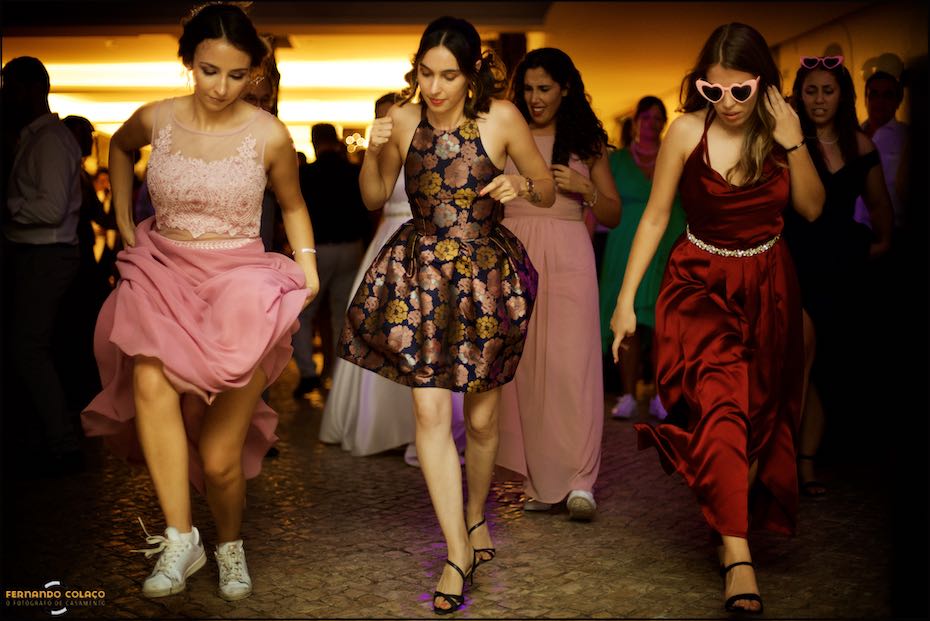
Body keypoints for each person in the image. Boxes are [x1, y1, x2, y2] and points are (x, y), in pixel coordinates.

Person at [80, 2, 319, 601]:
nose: (221, 87)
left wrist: (309, 271)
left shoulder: (268, 134)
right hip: (164, 272)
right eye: (210, 70)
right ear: (188, 61)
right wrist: (123, 220)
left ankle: (230, 545)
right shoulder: (156, 118)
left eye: (237, 75)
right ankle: (180, 536)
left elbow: (293, 205)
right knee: (148, 376)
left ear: (253, 72)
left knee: (217, 458)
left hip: (239, 287)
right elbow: (119, 149)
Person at [340, 16, 555, 614]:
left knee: (482, 422)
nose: (434, 88)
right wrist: (372, 146)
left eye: (448, 76)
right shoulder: (403, 119)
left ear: (472, 74)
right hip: (422, 277)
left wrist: (518, 186)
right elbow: (373, 196)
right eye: (426, 73)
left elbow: (545, 188)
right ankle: (457, 550)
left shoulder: (502, 118)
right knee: (430, 412)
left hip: (486, 279)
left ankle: (476, 515)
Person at [608, 23, 824, 614]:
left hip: (769, 284)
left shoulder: (781, 131)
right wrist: (625, 301)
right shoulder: (685, 131)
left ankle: (727, 516)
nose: (726, 103)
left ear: (763, 84)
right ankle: (739, 558)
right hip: (699, 284)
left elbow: (811, 207)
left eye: (740, 91)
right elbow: (656, 216)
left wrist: (795, 141)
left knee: (760, 418)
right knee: (722, 403)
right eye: (713, 91)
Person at [495, 48, 620, 521]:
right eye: (527, 89)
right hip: (515, 254)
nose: (535, 98)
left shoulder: (587, 142)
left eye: (544, 88)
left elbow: (614, 213)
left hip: (569, 255)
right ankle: (542, 482)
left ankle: (580, 480)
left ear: (565, 89)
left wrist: (587, 190)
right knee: (528, 370)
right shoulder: (508, 135)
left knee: (573, 368)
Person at [320, 92, 466, 463]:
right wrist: (372, 151)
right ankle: (382, 425)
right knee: (383, 330)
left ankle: (433, 429)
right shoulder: (381, 154)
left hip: (432, 243)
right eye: (385, 117)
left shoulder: (431, 143)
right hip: (390, 241)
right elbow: (370, 198)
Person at [783, 55, 893, 496]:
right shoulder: (788, 141)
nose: (819, 99)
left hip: (839, 266)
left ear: (842, 95)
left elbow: (880, 205)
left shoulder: (860, 145)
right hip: (794, 259)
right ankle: (781, 465)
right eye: (810, 90)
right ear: (799, 96)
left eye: (827, 91)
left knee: (822, 370)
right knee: (796, 361)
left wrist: (881, 245)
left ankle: (805, 466)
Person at [2, 56, 85, 476]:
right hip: (39, 253)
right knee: (31, 347)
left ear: (35, 89)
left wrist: (7, 207)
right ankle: (49, 437)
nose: (5, 95)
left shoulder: (49, 141)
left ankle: (61, 442)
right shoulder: (36, 137)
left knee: (28, 348)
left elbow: (51, 209)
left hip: (47, 253)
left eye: (10, 86)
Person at [598, 96, 686, 421]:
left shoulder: (675, 153)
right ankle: (628, 394)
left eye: (657, 118)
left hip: (668, 243)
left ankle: (662, 394)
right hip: (625, 248)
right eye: (645, 117)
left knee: (666, 323)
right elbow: (601, 204)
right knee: (628, 321)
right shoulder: (617, 160)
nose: (651, 123)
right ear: (635, 122)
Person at [291, 123, 370, 397]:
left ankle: (308, 373)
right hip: (351, 247)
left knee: (303, 312)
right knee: (342, 314)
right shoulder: (353, 171)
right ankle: (339, 378)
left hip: (318, 249)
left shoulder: (306, 174)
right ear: (335, 141)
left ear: (314, 143)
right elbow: (364, 212)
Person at [855, 69, 908, 231]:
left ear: (898, 101)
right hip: (853, 231)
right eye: (874, 95)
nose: (880, 101)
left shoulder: (908, 137)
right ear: (866, 100)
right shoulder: (853, 136)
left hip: (895, 231)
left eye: (887, 95)